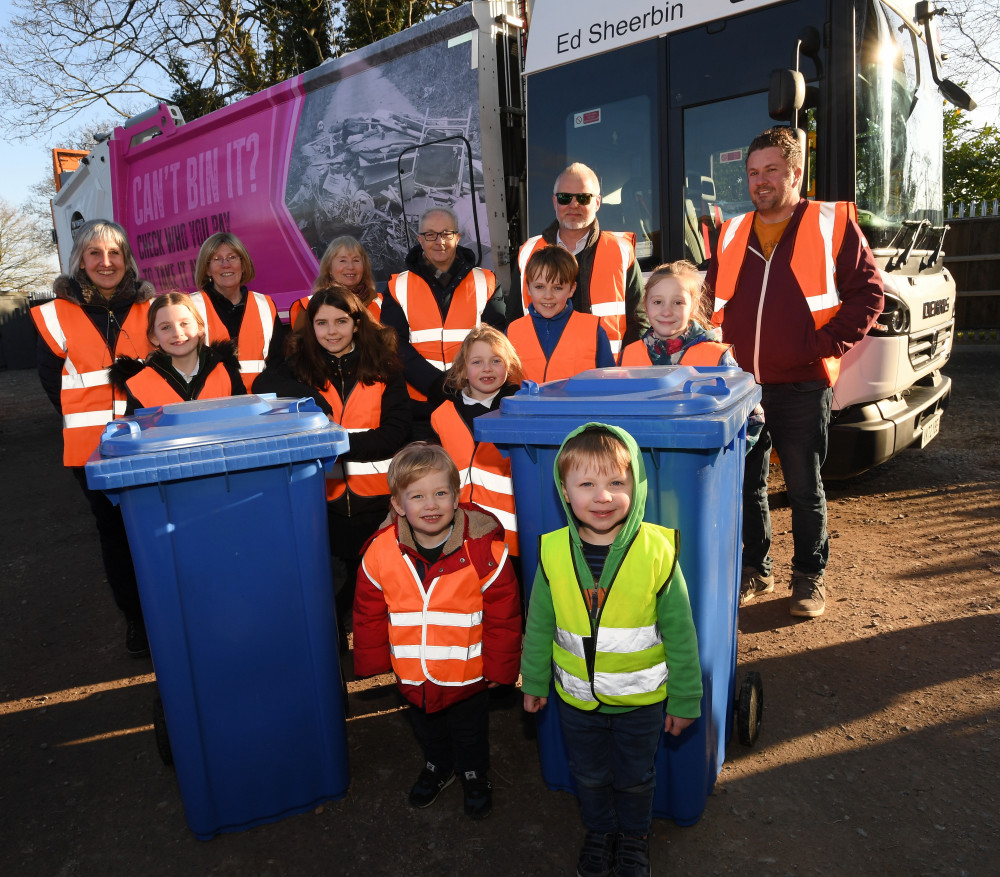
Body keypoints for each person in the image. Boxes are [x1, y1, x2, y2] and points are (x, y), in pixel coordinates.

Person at [705, 126, 884, 618]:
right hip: (741, 385)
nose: (761, 181)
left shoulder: (831, 222)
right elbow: (706, 298)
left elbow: (869, 295)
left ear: (796, 173)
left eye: (772, 171)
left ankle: (809, 577)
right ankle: (755, 571)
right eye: (753, 172)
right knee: (747, 484)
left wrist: (822, 345)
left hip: (803, 384)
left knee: (805, 487)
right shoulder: (733, 230)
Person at [520, 424, 702, 877]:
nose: (602, 496)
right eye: (587, 484)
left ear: (636, 485)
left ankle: (635, 838)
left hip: (641, 703)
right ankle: (600, 832)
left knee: (636, 778)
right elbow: (540, 624)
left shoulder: (657, 551)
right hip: (576, 700)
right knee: (590, 776)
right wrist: (535, 680)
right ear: (565, 490)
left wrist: (685, 699)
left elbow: (681, 633)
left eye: (616, 483)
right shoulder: (552, 552)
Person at [353, 443, 521, 820]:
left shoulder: (485, 551)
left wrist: (500, 668)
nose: (431, 505)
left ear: (456, 497)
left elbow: (505, 616)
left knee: (470, 732)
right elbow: (367, 613)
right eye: (417, 496)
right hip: (413, 673)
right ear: (398, 505)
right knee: (426, 728)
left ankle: (475, 774)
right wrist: (373, 662)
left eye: (440, 493)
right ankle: (438, 766)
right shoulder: (379, 552)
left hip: (467, 675)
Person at [253, 286, 411, 643]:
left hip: (376, 500)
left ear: (357, 323)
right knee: (322, 577)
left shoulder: (384, 366)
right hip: (321, 501)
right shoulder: (298, 367)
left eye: (341, 321)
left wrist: (332, 445)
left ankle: (358, 629)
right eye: (321, 323)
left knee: (369, 576)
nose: (331, 331)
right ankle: (330, 635)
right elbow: (263, 384)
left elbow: (394, 433)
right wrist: (308, 395)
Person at [31, 218, 155, 657]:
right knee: (116, 535)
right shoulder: (55, 314)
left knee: (159, 531)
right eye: (95, 254)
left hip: (151, 444)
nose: (107, 262)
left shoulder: (150, 307)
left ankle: (167, 610)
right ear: (80, 261)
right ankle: (137, 620)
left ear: (127, 260)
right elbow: (52, 384)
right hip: (92, 450)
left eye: (115, 253)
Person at [380, 207, 507, 429]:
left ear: (457, 237)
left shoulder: (486, 281)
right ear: (420, 239)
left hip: (474, 398)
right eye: (430, 234)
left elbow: (496, 339)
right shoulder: (398, 285)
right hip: (420, 405)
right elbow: (393, 344)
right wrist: (436, 384)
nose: (439, 241)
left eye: (446, 233)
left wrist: (463, 381)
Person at [512, 162, 646, 358]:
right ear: (554, 202)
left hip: (607, 378)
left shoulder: (621, 251)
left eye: (583, 198)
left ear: (597, 203)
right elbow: (513, 319)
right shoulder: (528, 252)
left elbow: (639, 319)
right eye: (565, 197)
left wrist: (628, 368)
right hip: (541, 377)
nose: (574, 205)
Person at [431, 326, 524, 556]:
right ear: (462, 370)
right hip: (455, 535)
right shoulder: (441, 415)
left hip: (509, 538)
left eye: (496, 361)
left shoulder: (520, 412)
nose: (487, 369)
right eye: (477, 362)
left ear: (509, 366)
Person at [108, 292, 245, 414]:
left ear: (200, 328)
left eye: (184, 323)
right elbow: (137, 438)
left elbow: (246, 425)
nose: (177, 333)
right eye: (166, 327)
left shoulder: (226, 373)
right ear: (154, 337)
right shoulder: (139, 385)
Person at [506, 246, 615, 383]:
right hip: (527, 405)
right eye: (540, 287)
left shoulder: (593, 330)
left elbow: (609, 384)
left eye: (557, 288)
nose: (548, 296)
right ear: (528, 288)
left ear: (571, 289)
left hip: (580, 405)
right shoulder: (511, 332)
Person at [191, 232, 285, 390]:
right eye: (216, 259)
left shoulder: (265, 305)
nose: (225, 264)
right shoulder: (190, 307)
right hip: (213, 406)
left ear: (243, 263)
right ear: (207, 269)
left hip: (261, 406)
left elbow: (279, 363)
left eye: (232, 257)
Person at [618, 261, 738, 367]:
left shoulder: (718, 357)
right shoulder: (628, 356)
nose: (666, 312)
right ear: (645, 304)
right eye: (658, 302)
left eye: (678, 302)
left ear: (694, 305)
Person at [288, 235, 382, 330]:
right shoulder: (308, 306)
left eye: (356, 260)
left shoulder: (382, 302)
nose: (350, 267)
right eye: (342, 260)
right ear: (329, 268)